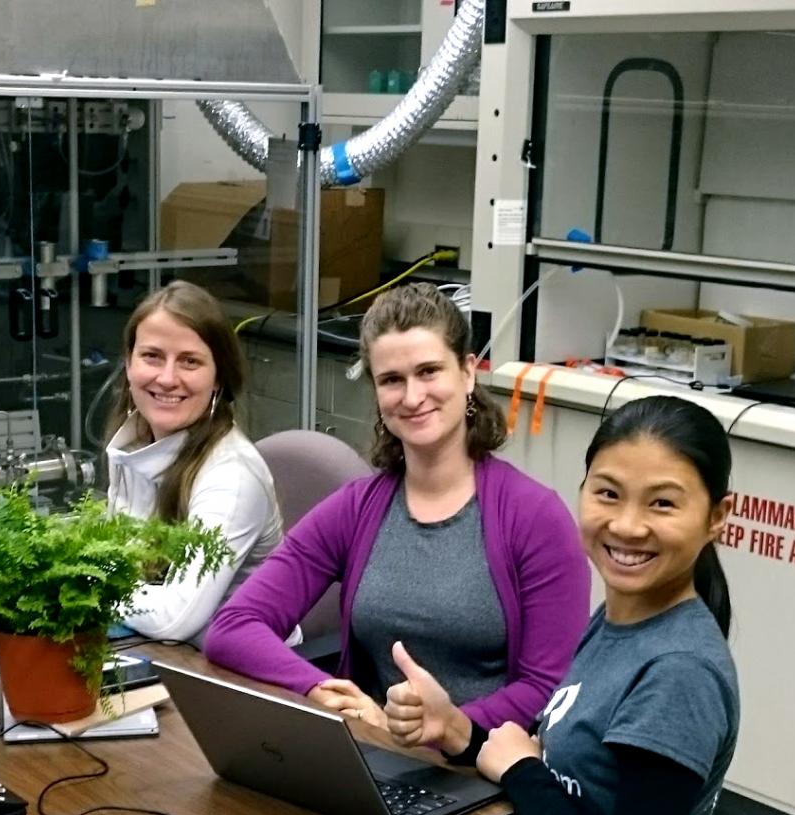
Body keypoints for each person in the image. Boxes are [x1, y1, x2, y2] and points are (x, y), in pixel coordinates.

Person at [387, 394, 741, 815]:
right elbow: (575, 777)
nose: (628, 526)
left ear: (717, 517)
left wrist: (522, 772)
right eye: (607, 494)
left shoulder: (679, 673)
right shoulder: (616, 621)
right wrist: (461, 731)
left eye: (662, 502)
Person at [204, 282, 589, 739]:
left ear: (467, 373)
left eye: (429, 371)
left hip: (484, 770)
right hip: (376, 751)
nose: (411, 396)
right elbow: (232, 627)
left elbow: (549, 686)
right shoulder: (356, 508)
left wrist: (452, 727)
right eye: (392, 380)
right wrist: (317, 688)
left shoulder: (535, 518)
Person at [104, 280, 283, 645]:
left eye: (190, 361)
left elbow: (175, 618)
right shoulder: (134, 446)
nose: (167, 378)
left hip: (236, 676)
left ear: (218, 377)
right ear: (128, 364)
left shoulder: (232, 477)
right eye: (152, 356)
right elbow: (115, 564)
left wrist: (87, 589)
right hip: (156, 652)